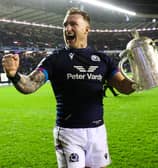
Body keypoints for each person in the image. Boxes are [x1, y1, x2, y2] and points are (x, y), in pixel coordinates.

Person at [2, 8, 136, 168]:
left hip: (97, 130)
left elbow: (124, 87)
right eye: (65, 25)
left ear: (86, 29)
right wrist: (13, 74)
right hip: (69, 132)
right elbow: (29, 85)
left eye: (73, 24)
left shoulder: (103, 59)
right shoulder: (54, 59)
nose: (67, 29)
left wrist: (142, 75)